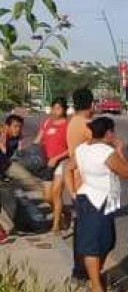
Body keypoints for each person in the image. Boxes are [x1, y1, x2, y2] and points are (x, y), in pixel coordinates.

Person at [74, 117, 128, 292]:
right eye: (112, 132)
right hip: (95, 200)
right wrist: (120, 150)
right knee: (94, 245)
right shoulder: (106, 152)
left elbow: (70, 167)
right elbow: (127, 172)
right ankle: (96, 288)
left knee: (107, 241)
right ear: (108, 133)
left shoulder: (82, 148)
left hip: (92, 198)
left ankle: (94, 278)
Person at [65, 87, 94, 282]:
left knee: (81, 228)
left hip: (77, 179)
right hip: (86, 182)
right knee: (89, 231)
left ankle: (80, 269)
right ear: (91, 104)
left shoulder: (73, 122)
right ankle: (82, 270)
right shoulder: (87, 125)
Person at [34, 99, 70, 233]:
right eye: (54, 108)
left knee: (56, 193)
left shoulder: (68, 125)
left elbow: (71, 148)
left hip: (62, 161)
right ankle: (64, 211)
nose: (55, 111)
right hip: (46, 162)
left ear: (64, 110)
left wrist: (57, 158)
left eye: (58, 108)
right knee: (47, 197)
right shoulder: (47, 123)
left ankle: (56, 226)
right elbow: (37, 140)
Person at [0, 114, 24, 183]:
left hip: (6, 154)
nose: (18, 129)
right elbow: (3, 148)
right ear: (7, 126)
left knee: (8, 159)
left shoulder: (18, 135)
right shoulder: (2, 132)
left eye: (20, 126)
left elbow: (19, 147)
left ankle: (2, 173)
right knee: (5, 159)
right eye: (15, 126)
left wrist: (19, 152)